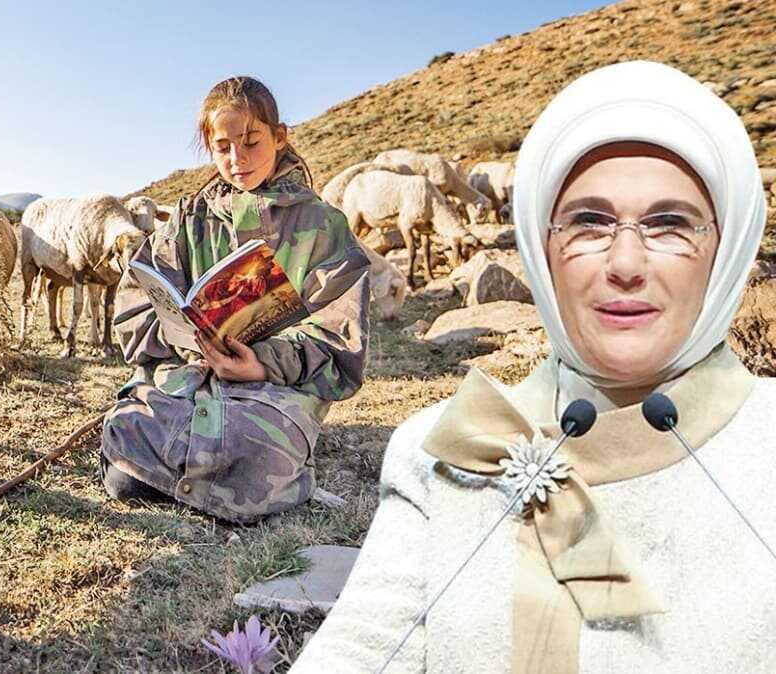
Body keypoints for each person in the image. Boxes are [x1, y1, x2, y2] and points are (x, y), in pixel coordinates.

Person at [292, 60, 775, 673]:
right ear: (541, 245)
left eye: (670, 224)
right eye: (588, 222)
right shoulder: (450, 444)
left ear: (727, 249)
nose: (625, 262)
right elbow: (362, 649)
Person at [100, 76, 371, 523]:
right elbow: (135, 307)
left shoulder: (323, 226)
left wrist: (261, 363)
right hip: (187, 375)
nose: (237, 159)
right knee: (125, 460)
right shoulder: (188, 220)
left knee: (252, 461)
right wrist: (190, 340)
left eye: (251, 142)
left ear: (279, 137)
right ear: (209, 145)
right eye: (223, 146)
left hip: (272, 390)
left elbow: (340, 337)